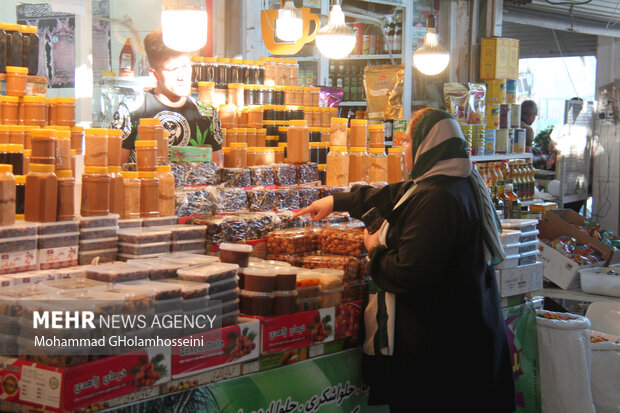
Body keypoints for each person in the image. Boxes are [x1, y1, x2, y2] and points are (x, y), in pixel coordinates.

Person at [295, 108, 515, 412]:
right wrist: (336, 201)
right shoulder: (447, 181)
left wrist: (374, 250)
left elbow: (407, 273)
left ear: (429, 146)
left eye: (409, 140)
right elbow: (390, 196)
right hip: (459, 342)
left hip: (444, 360)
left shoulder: (439, 198)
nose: (403, 148)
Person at [111, 28, 223, 165]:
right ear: (154, 74)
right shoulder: (131, 111)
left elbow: (216, 171)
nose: (182, 76)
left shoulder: (207, 114)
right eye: (172, 70)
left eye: (186, 66)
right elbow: (114, 171)